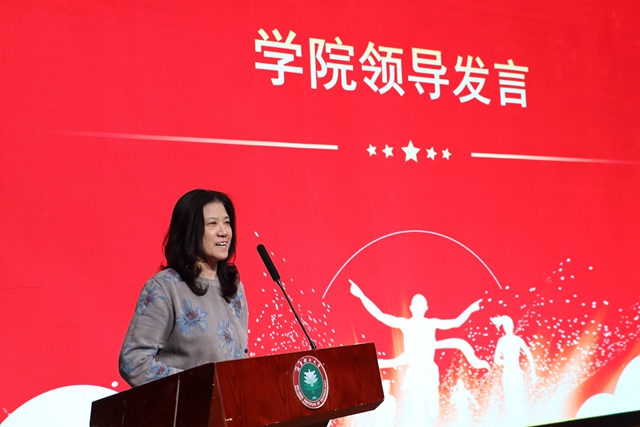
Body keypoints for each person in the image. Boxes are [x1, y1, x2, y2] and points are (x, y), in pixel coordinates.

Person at [119, 189, 249, 387]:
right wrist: (199, 384)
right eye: (212, 223)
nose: (224, 231)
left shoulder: (234, 288)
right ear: (190, 231)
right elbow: (134, 362)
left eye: (227, 222)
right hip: (186, 405)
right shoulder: (165, 287)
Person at [350, 279, 489, 427]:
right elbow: (380, 316)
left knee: (434, 413)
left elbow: (456, 322)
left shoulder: (431, 323)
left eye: (421, 305)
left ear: (426, 308)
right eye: (416, 305)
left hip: (429, 371)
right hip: (415, 373)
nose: (418, 307)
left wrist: (471, 309)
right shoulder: (406, 324)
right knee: (420, 415)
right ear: (411, 307)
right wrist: (361, 295)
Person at [491, 315, 536, 425]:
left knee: (518, 400)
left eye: (509, 325)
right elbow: (496, 359)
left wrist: (533, 373)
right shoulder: (502, 341)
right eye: (505, 326)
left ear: (512, 326)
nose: (507, 328)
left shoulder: (517, 340)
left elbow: (529, 355)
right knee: (510, 401)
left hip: (516, 373)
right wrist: (506, 362)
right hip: (508, 374)